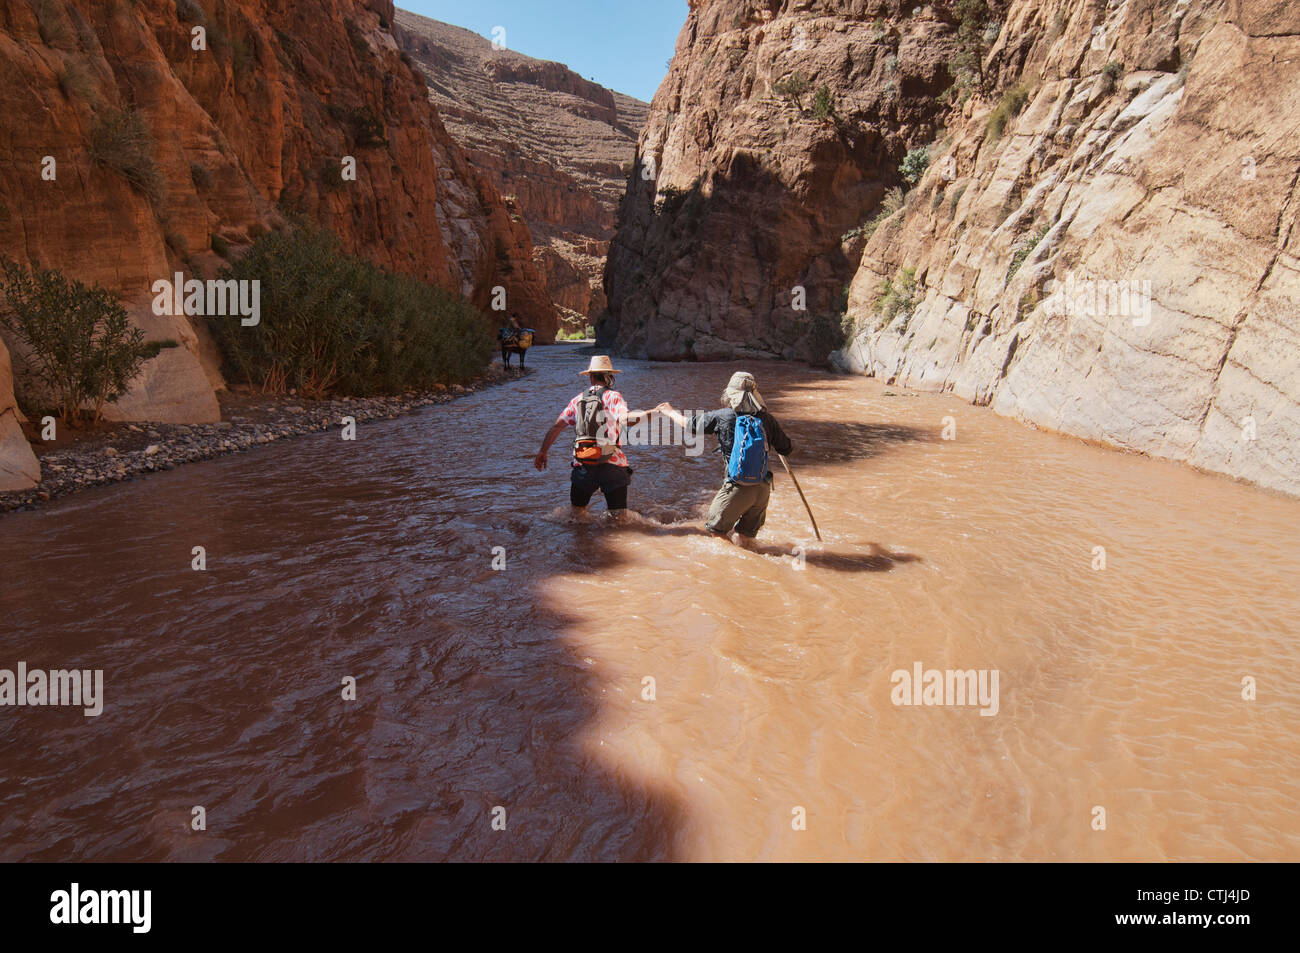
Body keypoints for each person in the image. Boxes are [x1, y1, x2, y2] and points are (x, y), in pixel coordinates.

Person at [658, 372, 793, 549]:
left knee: (717, 531)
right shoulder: (767, 418)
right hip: (762, 489)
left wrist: (670, 412)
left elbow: (689, 425)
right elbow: (786, 448)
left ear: (730, 394)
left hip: (737, 488)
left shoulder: (723, 416)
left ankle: (738, 562)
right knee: (745, 537)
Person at [534, 356, 655, 516]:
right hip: (612, 464)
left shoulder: (577, 400)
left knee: (576, 515)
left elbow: (557, 426)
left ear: (591, 377)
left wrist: (542, 452)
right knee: (619, 518)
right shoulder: (613, 396)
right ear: (609, 376)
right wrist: (653, 413)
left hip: (583, 464)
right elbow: (627, 419)